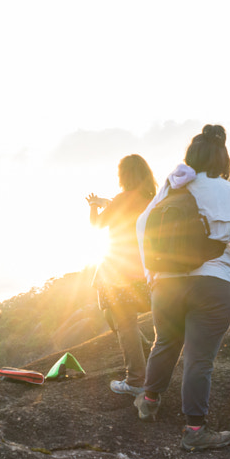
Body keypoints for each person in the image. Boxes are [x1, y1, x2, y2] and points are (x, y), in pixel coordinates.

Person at [131, 125, 230, 450]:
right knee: (199, 359)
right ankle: (195, 432)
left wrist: (151, 271)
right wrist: (223, 251)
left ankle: (149, 401)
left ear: (192, 156)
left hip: (167, 283)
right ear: (223, 158)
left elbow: (142, 223)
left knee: (165, 343)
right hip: (213, 285)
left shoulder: (173, 187)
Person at [87, 155, 158, 395]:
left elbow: (97, 225)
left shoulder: (121, 199)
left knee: (124, 322)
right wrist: (106, 201)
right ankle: (145, 350)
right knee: (115, 316)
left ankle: (136, 380)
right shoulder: (152, 200)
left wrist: (94, 207)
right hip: (146, 271)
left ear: (123, 175)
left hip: (119, 273)